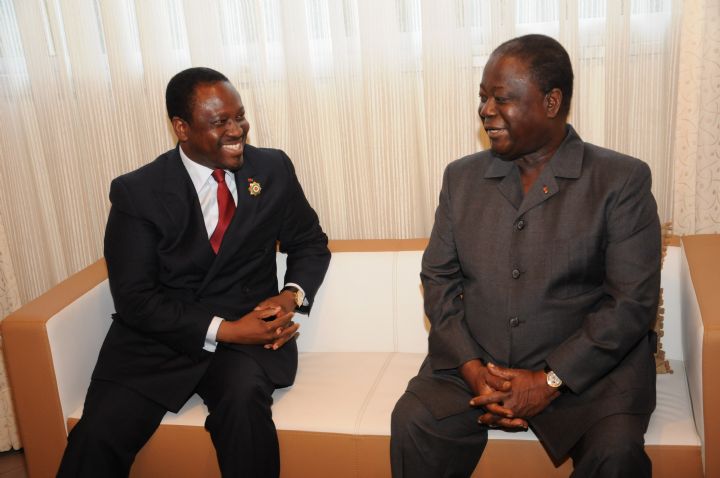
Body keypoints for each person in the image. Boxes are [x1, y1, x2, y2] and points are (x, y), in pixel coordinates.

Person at [391, 34, 661, 477]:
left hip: (587, 376)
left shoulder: (620, 180)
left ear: (551, 102)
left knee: (617, 455)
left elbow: (631, 303)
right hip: (477, 366)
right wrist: (474, 369)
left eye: (501, 99)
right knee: (414, 421)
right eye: (482, 98)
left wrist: (550, 380)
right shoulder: (462, 179)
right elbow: (438, 278)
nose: (486, 111)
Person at [57, 67, 331, 478]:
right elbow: (135, 299)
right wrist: (225, 329)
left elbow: (309, 242)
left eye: (239, 116)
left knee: (243, 409)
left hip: (246, 340)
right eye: (219, 122)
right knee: (97, 436)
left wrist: (290, 295)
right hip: (159, 340)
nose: (237, 129)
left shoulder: (272, 169)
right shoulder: (138, 192)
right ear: (181, 128)